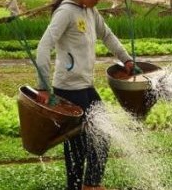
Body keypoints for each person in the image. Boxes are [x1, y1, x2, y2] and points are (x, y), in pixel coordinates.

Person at [35, 0, 135, 189]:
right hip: (68, 89)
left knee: (103, 134)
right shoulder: (66, 12)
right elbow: (44, 46)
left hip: (86, 87)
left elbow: (107, 35)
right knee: (77, 146)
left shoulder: (90, 11)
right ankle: (78, 186)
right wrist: (43, 86)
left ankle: (91, 184)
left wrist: (126, 59)